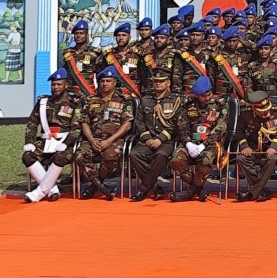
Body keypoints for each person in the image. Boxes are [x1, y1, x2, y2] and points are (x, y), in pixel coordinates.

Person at [22, 69, 83, 203]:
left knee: (61, 157)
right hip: (46, 140)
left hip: (64, 141)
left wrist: (66, 143)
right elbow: (32, 123)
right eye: (53, 85)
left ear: (66, 85)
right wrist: (30, 141)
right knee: (27, 156)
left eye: (59, 84)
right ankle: (52, 189)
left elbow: (76, 128)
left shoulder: (74, 103)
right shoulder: (43, 102)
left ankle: (39, 192)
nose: (55, 87)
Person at [74, 66, 134, 200]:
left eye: (108, 81)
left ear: (115, 83)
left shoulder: (124, 100)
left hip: (114, 139)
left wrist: (109, 140)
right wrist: (91, 140)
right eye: (102, 81)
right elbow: (84, 122)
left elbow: (127, 124)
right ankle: (101, 187)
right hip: (92, 139)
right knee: (79, 155)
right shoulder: (90, 100)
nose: (105, 84)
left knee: (110, 156)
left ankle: (94, 185)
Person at [129, 68, 184, 202]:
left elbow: (177, 124)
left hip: (166, 140)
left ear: (168, 83)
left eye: (161, 81)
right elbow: (140, 122)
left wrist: (161, 138)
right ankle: (155, 188)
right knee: (134, 154)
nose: (158, 84)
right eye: (155, 81)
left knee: (161, 155)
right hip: (147, 140)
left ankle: (143, 189)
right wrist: (147, 138)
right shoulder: (146, 99)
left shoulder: (176, 100)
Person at [169, 76, 227, 202]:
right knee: (175, 160)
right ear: (197, 95)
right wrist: (188, 143)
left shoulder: (220, 104)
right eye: (203, 96)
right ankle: (198, 188)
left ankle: (190, 192)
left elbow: (221, 128)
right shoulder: (188, 105)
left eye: (209, 94)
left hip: (211, 142)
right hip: (191, 141)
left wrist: (204, 144)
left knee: (206, 160)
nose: (208, 98)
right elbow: (182, 126)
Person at [234, 91, 277, 202]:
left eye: (266, 110)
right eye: (262, 112)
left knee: (271, 159)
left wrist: (274, 147)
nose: (266, 114)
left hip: (273, 145)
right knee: (241, 158)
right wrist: (244, 146)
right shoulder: (246, 113)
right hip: (254, 145)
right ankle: (262, 190)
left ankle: (252, 192)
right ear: (254, 109)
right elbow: (239, 132)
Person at [62, 19, 102, 97]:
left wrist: (99, 94)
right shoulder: (68, 53)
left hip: (88, 92)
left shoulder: (95, 53)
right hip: (70, 93)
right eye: (76, 33)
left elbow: (100, 75)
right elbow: (65, 74)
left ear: (87, 35)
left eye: (81, 33)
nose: (78, 36)